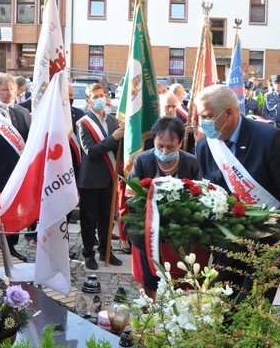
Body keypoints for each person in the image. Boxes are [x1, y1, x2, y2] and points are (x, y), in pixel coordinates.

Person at [193, 85, 280, 302]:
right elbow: (207, 192)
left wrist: (269, 227)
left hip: (268, 243)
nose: (202, 123)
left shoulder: (270, 138)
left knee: (252, 311)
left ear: (228, 113)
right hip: (228, 243)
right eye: (200, 117)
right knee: (222, 308)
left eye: (207, 116)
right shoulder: (204, 146)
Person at [126, 116, 201, 300]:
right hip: (147, 231)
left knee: (178, 278)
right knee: (148, 278)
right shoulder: (142, 160)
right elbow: (132, 198)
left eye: (170, 147)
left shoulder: (191, 162)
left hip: (179, 234)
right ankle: (147, 316)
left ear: (180, 142)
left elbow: (200, 196)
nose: (165, 151)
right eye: (160, 146)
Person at [77, 83, 125, 270]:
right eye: (95, 96)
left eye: (102, 95)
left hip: (110, 177)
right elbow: (91, 151)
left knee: (106, 219)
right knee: (88, 220)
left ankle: (106, 251)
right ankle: (88, 253)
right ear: (88, 100)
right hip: (90, 180)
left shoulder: (114, 121)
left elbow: (119, 147)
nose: (100, 99)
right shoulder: (83, 123)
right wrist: (113, 138)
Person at [0, 73, 31, 262]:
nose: (8, 93)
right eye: (4, 90)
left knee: (16, 211)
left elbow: (28, 142)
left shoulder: (21, 113)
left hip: (18, 173)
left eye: (12, 89)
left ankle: (12, 247)